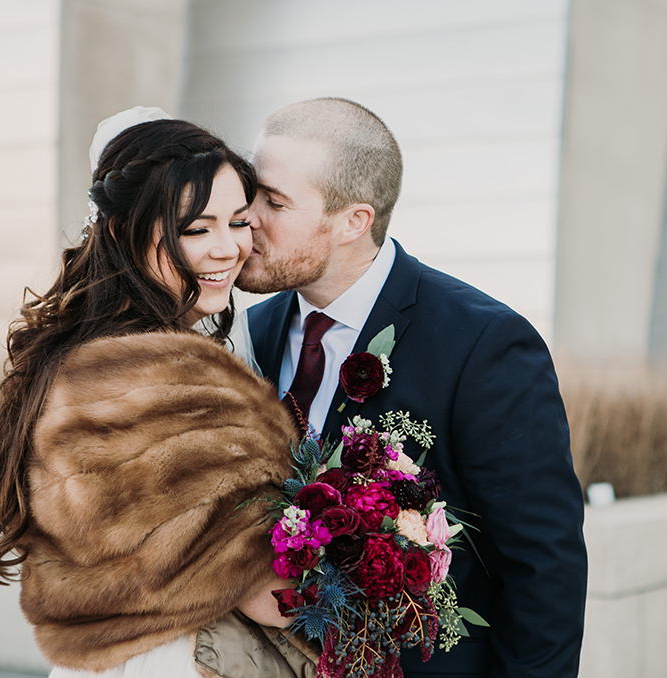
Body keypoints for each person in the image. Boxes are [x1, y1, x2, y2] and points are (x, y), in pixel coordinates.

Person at [239, 97, 589, 678]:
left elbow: (543, 566)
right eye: (253, 193)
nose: (247, 217)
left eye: (274, 202)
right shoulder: (250, 333)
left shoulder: (483, 343)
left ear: (355, 220)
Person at [0, 114, 315, 678]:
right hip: (184, 660)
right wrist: (381, 568)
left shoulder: (93, 351)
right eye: (196, 230)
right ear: (129, 233)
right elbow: (267, 592)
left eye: (240, 221)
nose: (229, 249)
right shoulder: (155, 378)